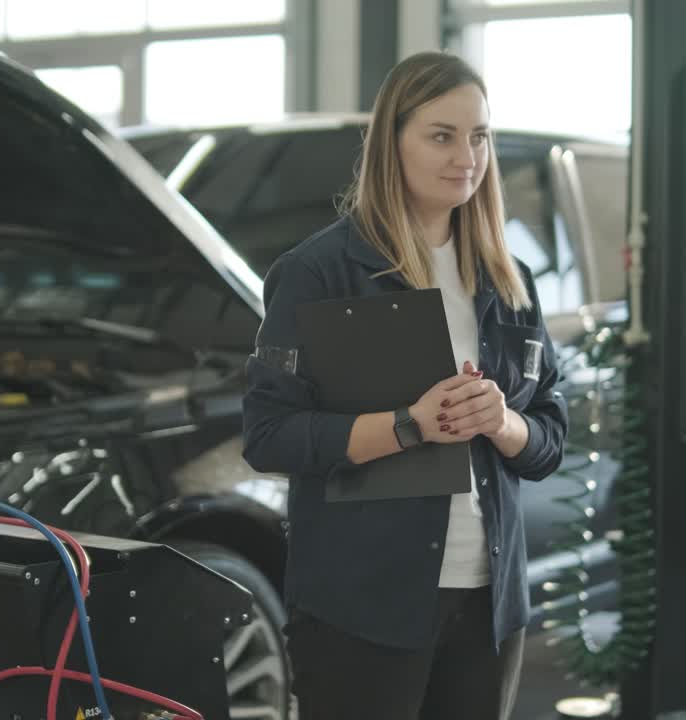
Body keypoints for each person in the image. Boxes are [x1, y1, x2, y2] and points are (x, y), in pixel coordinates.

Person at [241, 51, 569, 720]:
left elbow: (550, 435)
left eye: (479, 136)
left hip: (489, 603)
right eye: (441, 135)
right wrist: (409, 424)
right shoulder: (321, 272)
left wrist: (501, 421)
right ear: (392, 140)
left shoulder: (510, 281)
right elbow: (269, 435)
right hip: (361, 605)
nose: (466, 156)